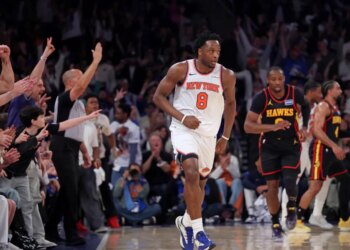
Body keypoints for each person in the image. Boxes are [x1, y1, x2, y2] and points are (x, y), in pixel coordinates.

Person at [153, 31, 236, 250]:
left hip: (208, 136)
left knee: (199, 186)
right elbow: (158, 97)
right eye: (210, 50)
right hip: (183, 130)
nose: (215, 54)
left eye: (218, 50)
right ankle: (199, 232)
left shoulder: (226, 75)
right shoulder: (181, 69)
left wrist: (225, 135)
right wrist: (181, 117)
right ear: (199, 51)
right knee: (190, 171)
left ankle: (186, 223)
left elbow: (230, 105)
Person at [45, 42, 102, 246]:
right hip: (62, 146)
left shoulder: (77, 103)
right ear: (71, 82)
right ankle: (70, 233)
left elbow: (76, 131)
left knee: (68, 190)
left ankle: (49, 227)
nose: (85, 81)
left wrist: (85, 152)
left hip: (72, 147)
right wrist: (96, 61)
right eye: (80, 77)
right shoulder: (65, 97)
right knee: (70, 191)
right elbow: (82, 86)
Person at [244, 66, 310, 238]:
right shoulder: (261, 98)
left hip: (291, 144)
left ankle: (291, 210)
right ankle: (275, 222)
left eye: (280, 79)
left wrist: (304, 126)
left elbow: (306, 105)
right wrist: (273, 127)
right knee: (272, 187)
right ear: (268, 81)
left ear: (284, 79)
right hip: (270, 147)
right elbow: (248, 126)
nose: (277, 83)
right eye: (273, 79)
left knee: (289, 180)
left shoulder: (295, 93)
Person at [295, 80, 350, 232]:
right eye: (337, 88)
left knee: (346, 179)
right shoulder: (323, 106)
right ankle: (298, 221)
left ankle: (345, 219)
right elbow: (317, 131)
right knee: (315, 187)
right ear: (329, 91)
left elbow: (335, 133)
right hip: (321, 149)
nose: (340, 90)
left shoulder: (335, 108)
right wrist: (334, 146)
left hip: (330, 151)